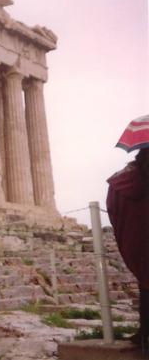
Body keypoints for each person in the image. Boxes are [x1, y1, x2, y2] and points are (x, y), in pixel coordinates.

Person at [107, 147, 149, 353]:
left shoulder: (122, 182)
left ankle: (145, 334)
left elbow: (114, 209)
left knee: (146, 284)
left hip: (139, 245)